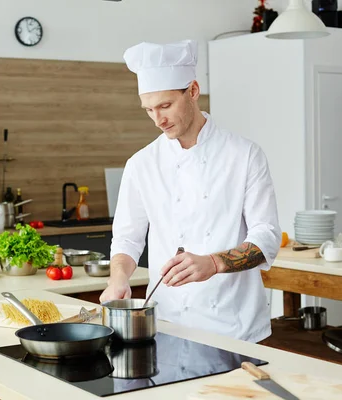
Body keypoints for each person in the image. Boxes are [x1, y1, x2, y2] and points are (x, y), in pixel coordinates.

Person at [99, 40, 281, 343]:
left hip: (233, 326)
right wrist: (119, 277)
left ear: (193, 91)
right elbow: (127, 238)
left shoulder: (244, 154)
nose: (158, 120)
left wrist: (213, 263)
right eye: (149, 110)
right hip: (168, 321)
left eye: (166, 106)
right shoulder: (141, 164)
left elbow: (267, 237)